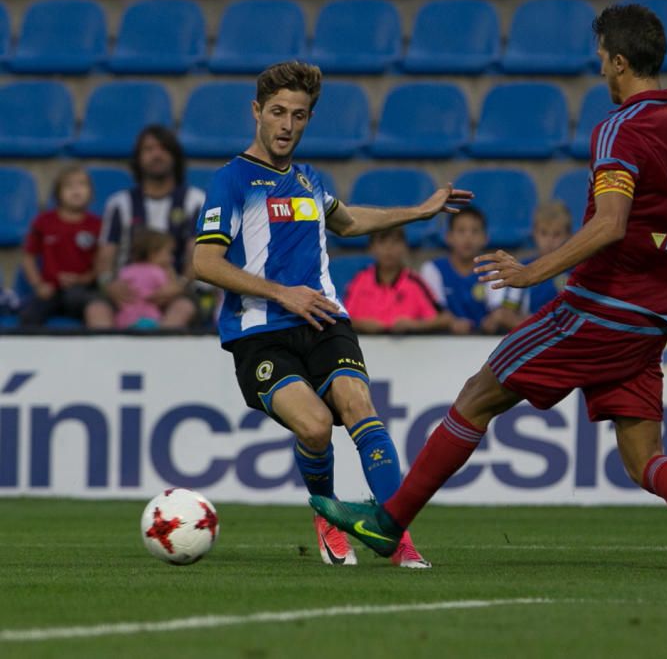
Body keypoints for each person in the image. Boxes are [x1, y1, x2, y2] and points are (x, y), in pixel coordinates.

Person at [312, 4, 667, 574]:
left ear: (621, 62)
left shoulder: (619, 129)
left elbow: (610, 224)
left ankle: (389, 520)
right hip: (651, 322)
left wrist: (533, 272)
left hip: (598, 307)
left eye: (603, 58)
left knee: (479, 394)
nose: (600, 68)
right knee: (643, 458)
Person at [191, 61, 472, 568]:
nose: (287, 125)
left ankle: (395, 537)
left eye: (299, 116)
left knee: (358, 406)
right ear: (256, 112)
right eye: (277, 112)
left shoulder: (308, 179)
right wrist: (282, 293)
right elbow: (203, 261)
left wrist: (418, 211)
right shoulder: (231, 181)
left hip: (324, 321)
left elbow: (346, 219)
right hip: (261, 333)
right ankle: (328, 518)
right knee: (317, 428)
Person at [85, 125, 205, 329]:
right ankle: (109, 361)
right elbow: (105, 255)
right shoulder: (119, 203)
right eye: (148, 149)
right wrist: (109, 285)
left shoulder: (195, 201)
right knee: (95, 310)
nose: (156, 155)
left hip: (177, 292)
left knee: (182, 309)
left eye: (163, 149)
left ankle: (159, 360)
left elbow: (198, 254)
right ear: (138, 159)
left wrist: (179, 286)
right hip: (127, 292)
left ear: (174, 156)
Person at [20, 166, 101, 327]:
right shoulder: (43, 222)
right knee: (29, 315)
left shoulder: (97, 224)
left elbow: (101, 262)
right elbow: (28, 257)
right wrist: (38, 285)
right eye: (69, 186)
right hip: (49, 290)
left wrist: (84, 279)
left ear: (91, 192)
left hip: (82, 289)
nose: (76, 190)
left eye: (82, 185)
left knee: (94, 310)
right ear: (58, 193)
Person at [343, 227, 454, 335]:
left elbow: (444, 319)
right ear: (371, 248)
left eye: (395, 242)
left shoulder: (415, 282)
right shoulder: (360, 280)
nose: (388, 248)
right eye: (382, 242)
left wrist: (414, 325)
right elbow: (342, 319)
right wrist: (362, 325)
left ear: (404, 247)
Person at [419, 208, 506, 334]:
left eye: (475, 231)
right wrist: (450, 323)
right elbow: (433, 314)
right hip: (442, 343)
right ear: (448, 237)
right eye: (461, 231)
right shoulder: (432, 269)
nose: (468, 237)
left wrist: (494, 320)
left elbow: (498, 311)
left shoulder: (494, 270)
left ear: (485, 238)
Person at [496, 201, 574, 331]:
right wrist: (534, 326)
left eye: (556, 234)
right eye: (544, 233)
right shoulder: (521, 268)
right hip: (531, 334)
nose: (549, 240)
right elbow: (506, 313)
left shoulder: (575, 271)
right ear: (534, 234)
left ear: (568, 235)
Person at [115, 230, 176, 329]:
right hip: (150, 319)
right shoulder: (157, 272)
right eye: (168, 253)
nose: (171, 258)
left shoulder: (127, 270)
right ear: (153, 253)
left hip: (124, 320)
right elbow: (169, 291)